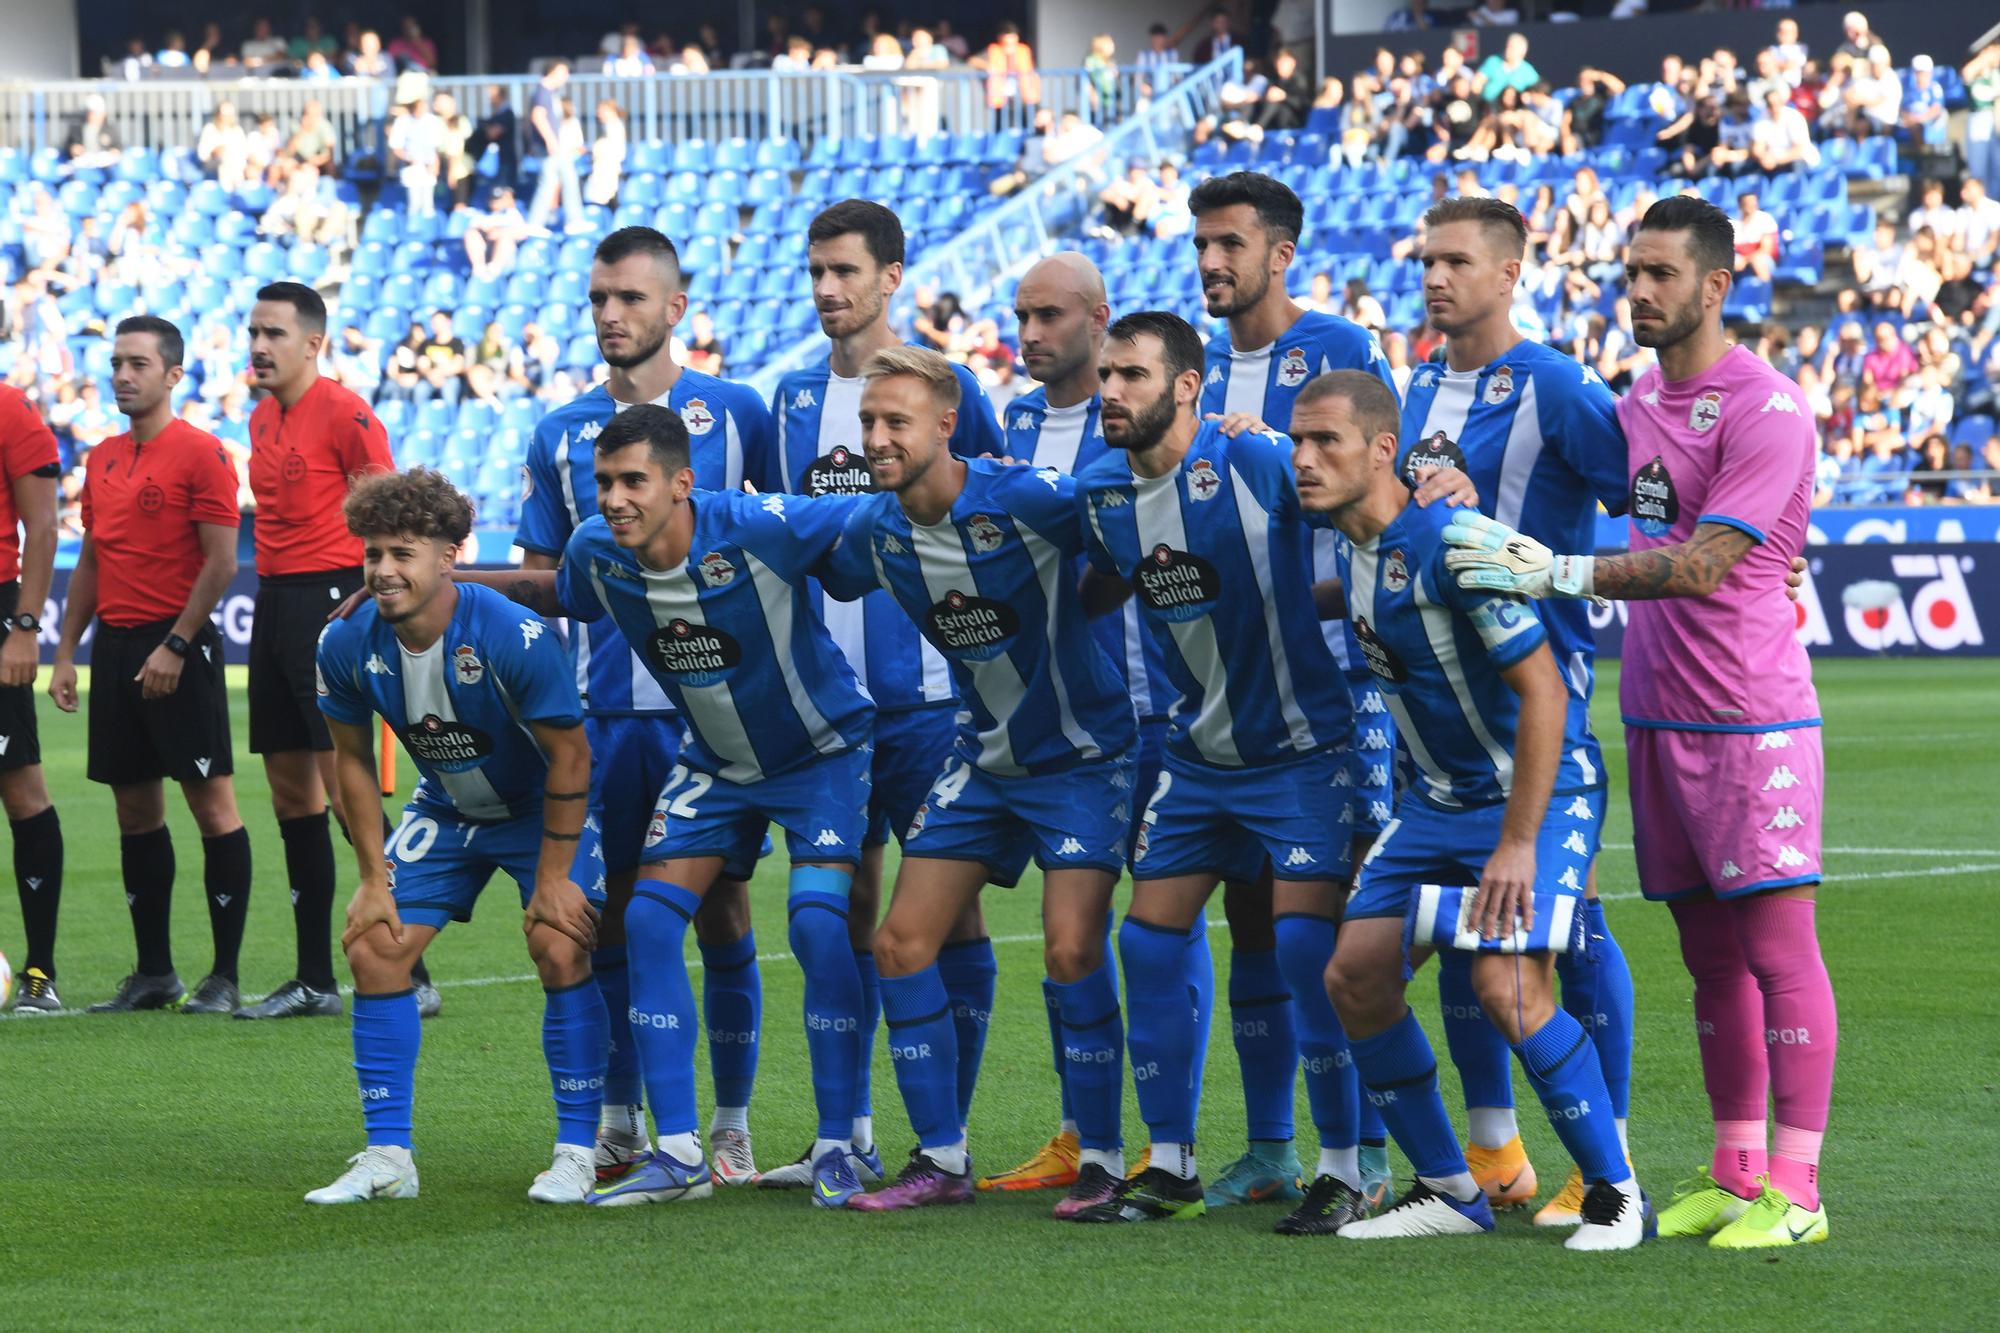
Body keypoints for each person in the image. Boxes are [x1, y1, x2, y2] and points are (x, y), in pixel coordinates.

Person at [1441, 195, 1836, 1249]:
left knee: (1775, 950)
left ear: (1713, 284)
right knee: (1707, 956)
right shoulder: (1632, 408)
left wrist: (1556, 570)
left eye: (1660, 275)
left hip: (1750, 718)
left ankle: (1795, 1193)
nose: (1639, 294)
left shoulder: (1766, 405)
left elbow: (1708, 559)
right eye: (1629, 275)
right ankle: (1732, 1169)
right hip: (1656, 713)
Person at [1295, 371, 1646, 1250]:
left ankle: (1614, 1191)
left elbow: (1545, 696)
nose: (1304, 460)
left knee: (1507, 986)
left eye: (1324, 443)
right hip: (1436, 805)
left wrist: (1518, 843)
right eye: (1298, 443)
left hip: (1540, 789)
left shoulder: (1456, 543)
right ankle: (1450, 1189)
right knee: (1354, 974)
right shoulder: (1351, 539)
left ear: (1384, 450)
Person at [495, 406, 876, 1208]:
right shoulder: (598, 550)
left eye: (633, 480)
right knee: (647, 921)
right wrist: (430, 579)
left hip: (822, 754)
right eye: (602, 483)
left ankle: (843, 1143)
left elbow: (869, 509)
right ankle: (676, 1153)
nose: (614, 498)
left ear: (682, 482)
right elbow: (551, 592)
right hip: (716, 763)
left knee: (813, 922)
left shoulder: (755, 525)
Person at [827, 346, 1135, 1216]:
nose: (878, 440)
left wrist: (1088, 603)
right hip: (985, 759)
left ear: (945, 424)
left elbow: (1121, 524)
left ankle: (1104, 1159)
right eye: (869, 424)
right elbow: (817, 559)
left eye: (896, 423)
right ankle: (941, 1158)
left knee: (1074, 948)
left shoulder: (1022, 495)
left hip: (1084, 754)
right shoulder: (873, 530)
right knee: (899, 943)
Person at [1064, 312, 1354, 1227]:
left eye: (1133, 376)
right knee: (1147, 939)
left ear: (1188, 387)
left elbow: (1364, 506)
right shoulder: (1103, 488)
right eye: (1106, 375)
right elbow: (1110, 572)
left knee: (1310, 953)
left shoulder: (1257, 461)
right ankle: (1173, 1165)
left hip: (1301, 749)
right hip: (1196, 756)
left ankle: (1347, 1167)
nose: (1110, 391)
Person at [1396, 196, 1640, 1226]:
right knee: (1465, 925)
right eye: (1424, 261)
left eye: (1455, 261)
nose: (1435, 278)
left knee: (1564, 924)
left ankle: (1604, 1151)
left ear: (1509, 271)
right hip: (1435, 700)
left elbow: (1642, 499)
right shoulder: (1411, 386)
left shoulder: (1555, 385)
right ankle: (1492, 1149)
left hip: (1537, 683)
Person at [513, 226, 774, 1187]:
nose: (612, 315)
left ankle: (733, 1123)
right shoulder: (558, 432)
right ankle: (623, 1117)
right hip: (610, 718)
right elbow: (546, 583)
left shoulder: (737, 411)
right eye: (598, 300)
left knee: (725, 914)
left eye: (629, 297)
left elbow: (779, 542)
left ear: (674, 308)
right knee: (615, 915)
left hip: (717, 716)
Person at [762, 199, 1003, 1190]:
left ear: (892, 276)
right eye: (815, 271)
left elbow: (996, 519)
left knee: (950, 915)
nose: (828, 289)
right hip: (828, 708)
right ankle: (842, 1133)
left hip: (935, 703)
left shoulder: (951, 389)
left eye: (846, 271)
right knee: (840, 907)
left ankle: (946, 1135)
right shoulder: (781, 399)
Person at [305, 468, 606, 1205]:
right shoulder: (344, 638)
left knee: (559, 941)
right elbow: (348, 759)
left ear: (451, 556)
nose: (382, 570)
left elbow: (570, 755)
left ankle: (578, 1150)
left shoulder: (511, 634)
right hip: (445, 808)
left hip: (541, 810)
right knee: (375, 943)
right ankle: (388, 1157)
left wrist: (554, 876)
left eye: (403, 553)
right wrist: (372, 877)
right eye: (373, 553)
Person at [1189, 170, 1393, 1215]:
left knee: (1333, 930)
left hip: (1338, 692)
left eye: (1230, 244)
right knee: (1254, 927)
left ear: (1279, 252)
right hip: (1238, 695)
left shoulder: (1341, 353)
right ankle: (1273, 1146)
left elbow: (1370, 502)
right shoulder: (1201, 371)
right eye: (1201, 246)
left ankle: (1358, 1156)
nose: (1212, 263)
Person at [974, 254, 1191, 1196]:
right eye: (1020, 315)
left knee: (1161, 924)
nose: (1030, 333)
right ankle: (1079, 1130)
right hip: (1063, 714)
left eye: (1049, 315)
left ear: (1098, 320)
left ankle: (1175, 1140)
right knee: (1080, 932)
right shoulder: (1015, 419)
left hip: (1157, 703)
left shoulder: (1141, 422)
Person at [47, 317, 250, 1016]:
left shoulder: (203, 454)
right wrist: (68, 651)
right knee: (134, 810)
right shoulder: (101, 457)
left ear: (172, 375)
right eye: (115, 363)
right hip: (117, 648)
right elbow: (94, 561)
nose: (122, 375)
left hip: (179, 649)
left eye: (137, 363)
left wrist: (178, 642)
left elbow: (223, 560)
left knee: (211, 805)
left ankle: (223, 975)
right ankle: (155, 972)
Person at [229, 284, 415, 1020]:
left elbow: (390, 510)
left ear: (312, 343)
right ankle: (313, 977)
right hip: (273, 599)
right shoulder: (259, 415)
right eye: (253, 332)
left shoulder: (346, 412)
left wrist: (370, 592)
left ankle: (412, 960)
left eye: (273, 332)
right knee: (288, 790)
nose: (259, 346)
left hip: (331, 598)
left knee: (346, 787)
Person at [0, 384, 65, 1012]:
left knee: (21, 791)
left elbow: (42, 525)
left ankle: (39, 972)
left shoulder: (11, 408)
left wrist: (23, 626)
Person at [526, 63, 583, 233]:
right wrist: (551, 140)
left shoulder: (547, 93)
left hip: (551, 147)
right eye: (564, 72)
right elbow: (538, 116)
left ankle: (537, 223)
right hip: (551, 147)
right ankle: (572, 221)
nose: (566, 77)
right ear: (553, 71)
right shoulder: (543, 91)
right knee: (562, 180)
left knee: (559, 180)